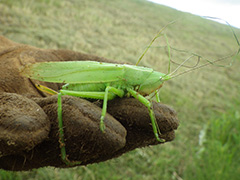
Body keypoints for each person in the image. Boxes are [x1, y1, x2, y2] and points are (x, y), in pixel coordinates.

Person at [0, 36, 179, 171]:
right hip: (85, 86)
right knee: (72, 95)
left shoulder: (139, 77)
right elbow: (109, 91)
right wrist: (102, 118)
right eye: (159, 81)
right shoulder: (132, 76)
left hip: (104, 83)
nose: (158, 85)